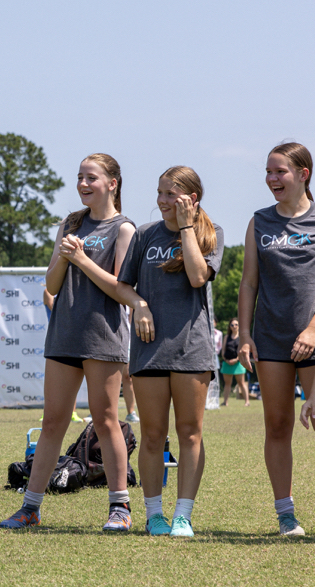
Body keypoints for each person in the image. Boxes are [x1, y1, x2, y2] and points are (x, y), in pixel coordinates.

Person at [0, 154, 136, 532]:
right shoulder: (71, 223)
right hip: (63, 334)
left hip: (102, 335)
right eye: (79, 177)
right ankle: (30, 508)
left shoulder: (124, 229)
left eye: (91, 177)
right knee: (52, 423)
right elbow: (52, 285)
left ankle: (120, 508)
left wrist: (82, 259)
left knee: (106, 421)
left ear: (113, 183)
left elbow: (123, 289)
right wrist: (63, 257)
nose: (83, 184)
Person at [116, 165, 223, 537]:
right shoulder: (144, 235)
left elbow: (197, 276)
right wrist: (140, 305)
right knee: (152, 435)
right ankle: (154, 514)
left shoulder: (212, 234)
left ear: (191, 199)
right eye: (159, 193)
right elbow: (121, 286)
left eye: (170, 195)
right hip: (148, 352)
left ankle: (183, 515)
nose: (162, 202)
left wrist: (187, 227)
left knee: (190, 432)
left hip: (192, 351)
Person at [239, 142, 315, 536]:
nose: (272, 179)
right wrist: (246, 335)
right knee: (279, 424)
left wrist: (313, 330)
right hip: (270, 340)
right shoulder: (259, 221)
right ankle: (286, 513)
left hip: (314, 338)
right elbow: (249, 282)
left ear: (303, 173)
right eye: (268, 172)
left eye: (279, 171)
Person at [220, 318, 249, 407]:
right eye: (232, 325)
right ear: (230, 327)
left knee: (241, 383)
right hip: (227, 363)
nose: (234, 326)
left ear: (239, 326)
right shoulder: (226, 337)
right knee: (227, 383)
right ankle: (225, 402)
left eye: (236, 324)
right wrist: (226, 359)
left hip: (238, 363)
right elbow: (223, 351)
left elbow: (243, 350)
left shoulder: (241, 337)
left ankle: (247, 402)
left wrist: (236, 359)